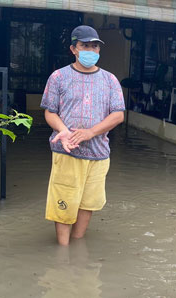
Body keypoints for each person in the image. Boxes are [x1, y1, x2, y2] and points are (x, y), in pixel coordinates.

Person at [40, 25, 125, 246]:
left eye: (94, 46)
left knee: (89, 203)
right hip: (67, 151)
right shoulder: (58, 77)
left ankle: (76, 248)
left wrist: (90, 132)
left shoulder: (110, 80)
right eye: (85, 45)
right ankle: (63, 252)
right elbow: (50, 112)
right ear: (73, 49)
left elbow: (118, 115)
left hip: (98, 154)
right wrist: (64, 131)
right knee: (64, 202)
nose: (91, 50)